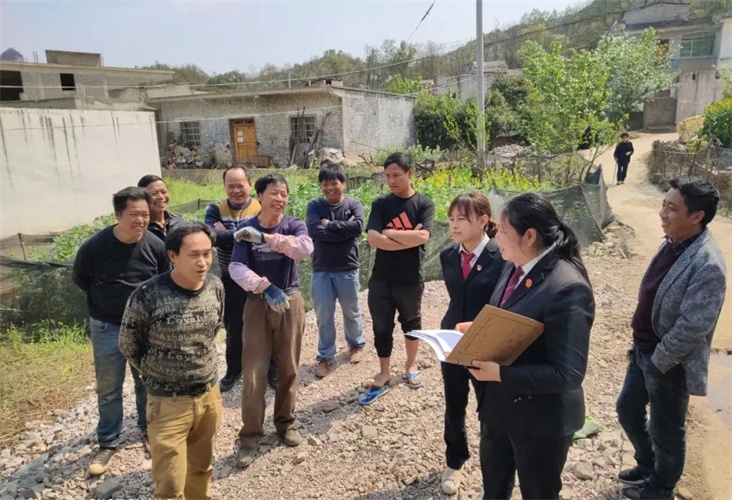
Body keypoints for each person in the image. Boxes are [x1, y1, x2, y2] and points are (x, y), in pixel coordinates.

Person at [466, 192, 595, 500]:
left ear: (529, 236)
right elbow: (510, 317)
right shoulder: (514, 264)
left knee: (539, 493)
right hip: (499, 408)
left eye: (502, 230)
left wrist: (500, 374)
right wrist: (479, 330)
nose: (495, 236)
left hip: (540, 420)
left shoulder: (567, 288)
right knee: (494, 488)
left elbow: (568, 374)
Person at [616, 178, 726, 500]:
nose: (662, 213)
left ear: (697, 216)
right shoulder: (674, 242)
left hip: (667, 362)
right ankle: (647, 464)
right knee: (627, 410)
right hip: (642, 350)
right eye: (663, 204)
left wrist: (659, 359)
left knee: (666, 429)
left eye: (672, 208)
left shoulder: (707, 263)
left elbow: (694, 325)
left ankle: (662, 488)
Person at [119, 223, 224, 500]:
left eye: (207, 254)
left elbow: (212, 331)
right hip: (168, 403)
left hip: (209, 396)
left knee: (201, 469)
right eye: (194, 255)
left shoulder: (215, 286)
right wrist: (159, 373)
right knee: (170, 486)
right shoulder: (148, 295)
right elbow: (129, 345)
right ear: (173, 255)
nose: (203, 262)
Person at [72, 187, 169, 476]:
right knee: (108, 386)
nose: (141, 220)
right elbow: (81, 278)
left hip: (145, 327)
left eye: (145, 214)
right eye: (134, 214)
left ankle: (148, 429)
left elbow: (164, 280)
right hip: (106, 325)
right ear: (117, 215)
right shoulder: (96, 245)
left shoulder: (156, 245)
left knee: (146, 380)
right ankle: (108, 441)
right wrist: (107, 302)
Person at [228, 172, 313, 468]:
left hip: (290, 301)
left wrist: (265, 238)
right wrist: (264, 286)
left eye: (284, 194)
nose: (279, 198)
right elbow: (236, 267)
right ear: (260, 196)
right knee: (254, 371)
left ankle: (285, 423)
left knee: (289, 367)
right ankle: (250, 436)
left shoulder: (293, 225)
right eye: (274, 193)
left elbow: (304, 249)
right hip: (257, 303)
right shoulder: (245, 229)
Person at [438, 193, 504, 495]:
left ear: (483, 220)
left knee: (490, 407)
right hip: (452, 339)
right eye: (451, 219)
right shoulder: (448, 256)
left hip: (487, 342)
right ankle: (455, 460)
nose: (454, 225)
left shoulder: (502, 256)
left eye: (462, 219)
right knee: (454, 403)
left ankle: (497, 467)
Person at [360, 152, 435, 405]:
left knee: (412, 323)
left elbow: (423, 237)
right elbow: (373, 239)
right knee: (381, 327)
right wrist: (407, 239)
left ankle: (410, 366)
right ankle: (384, 371)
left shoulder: (424, 204)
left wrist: (389, 233)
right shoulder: (381, 204)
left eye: (396, 175)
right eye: (387, 175)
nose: (391, 180)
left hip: (410, 278)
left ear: (409, 173)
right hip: (381, 279)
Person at [204, 165, 262, 393]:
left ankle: (269, 369)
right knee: (233, 326)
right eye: (231, 186)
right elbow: (211, 237)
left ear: (250, 184)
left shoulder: (260, 206)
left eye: (240, 185)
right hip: (230, 279)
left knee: (265, 324)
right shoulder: (215, 209)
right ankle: (234, 370)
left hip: (259, 276)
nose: (236, 190)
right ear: (224, 187)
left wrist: (228, 233)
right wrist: (246, 233)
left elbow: (265, 236)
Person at [306, 161, 366, 378]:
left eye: (334, 183)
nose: (330, 188)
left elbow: (357, 228)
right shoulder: (315, 206)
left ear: (343, 183)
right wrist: (344, 232)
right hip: (321, 268)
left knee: (351, 310)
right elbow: (314, 231)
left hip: (347, 267)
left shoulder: (354, 205)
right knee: (324, 314)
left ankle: (356, 344)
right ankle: (325, 356)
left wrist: (330, 225)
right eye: (325, 184)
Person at [137, 174, 184, 241]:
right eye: (154, 193)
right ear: (142, 197)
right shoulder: (139, 227)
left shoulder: (178, 223)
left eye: (164, 192)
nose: (161, 197)